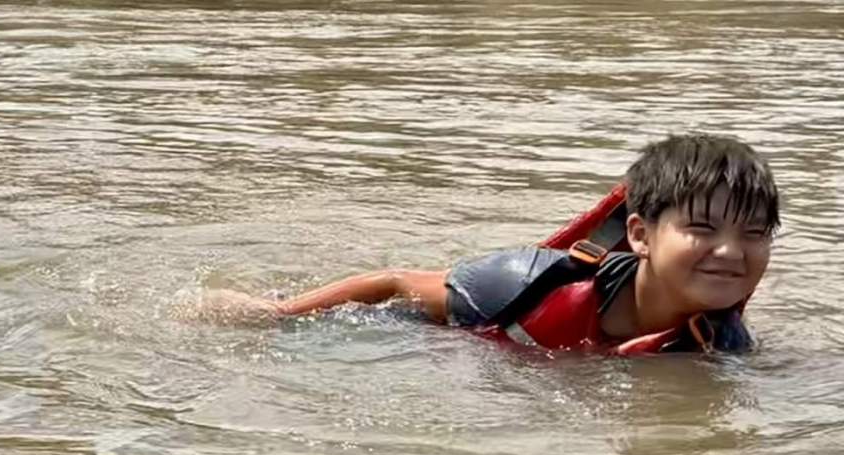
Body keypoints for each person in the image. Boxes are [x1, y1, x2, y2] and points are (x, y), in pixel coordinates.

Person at [197, 134, 780, 355]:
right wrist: (279, 314)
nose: (731, 252)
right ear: (639, 235)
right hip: (415, 335)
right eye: (701, 230)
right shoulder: (527, 281)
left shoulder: (721, 342)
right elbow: (397, 284)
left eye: (753, 234)